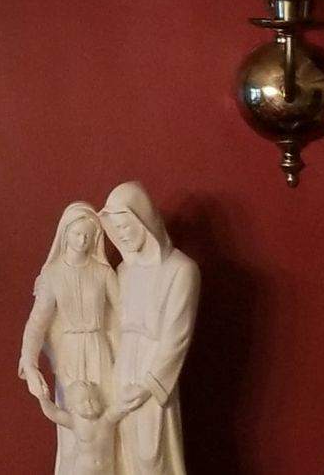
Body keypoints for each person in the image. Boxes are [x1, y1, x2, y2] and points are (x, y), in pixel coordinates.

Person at [100, 182, 199, 475]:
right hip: (121, 370)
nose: (121, 235)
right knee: (123, 454)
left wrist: (148, 385)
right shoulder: (124, 272)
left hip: (152, 375)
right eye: (116, 228)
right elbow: (112, 326)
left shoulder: (181, 270)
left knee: (152, 457)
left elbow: (177, 337)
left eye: (126, 226)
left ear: (144, 221)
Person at [19, 202, 120, 475]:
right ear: (65, 233)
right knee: (73, 429)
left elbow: (124, 315)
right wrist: (30, 364)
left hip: (100, 351)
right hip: (70, 355)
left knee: (107, 420)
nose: (82, 240)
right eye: (77, 234)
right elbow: (37, 323)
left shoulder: (103, 273)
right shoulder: (53, 275)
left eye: (88, 235)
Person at [35, 381, 132, 475]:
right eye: (82, 402)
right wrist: (44, 400)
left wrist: (130, 395)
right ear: (72, 408)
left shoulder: (107, 419)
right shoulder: (75, 422)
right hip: (83, 471)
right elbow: (54, 413)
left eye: (92, 400)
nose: (89, 405)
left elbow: (121, 407)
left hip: (106, 470)